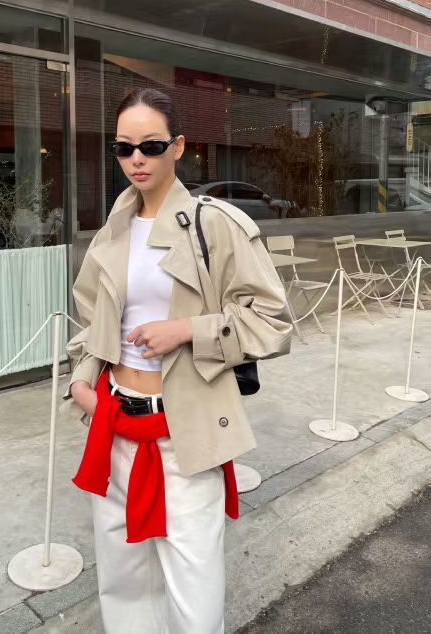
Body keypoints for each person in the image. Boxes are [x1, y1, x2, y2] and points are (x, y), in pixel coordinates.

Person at [64, 88, 292, 634]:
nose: (136, 158)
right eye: (123, 147)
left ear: (179, 146)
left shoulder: (215, 224)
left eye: (151, 144)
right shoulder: (114, 230)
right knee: (123, 580)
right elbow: (92, 322)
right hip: (113, 421)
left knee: (194, 586)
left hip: (184, 427)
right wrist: (81, 381)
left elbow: (273, 320)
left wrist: (187, 329)